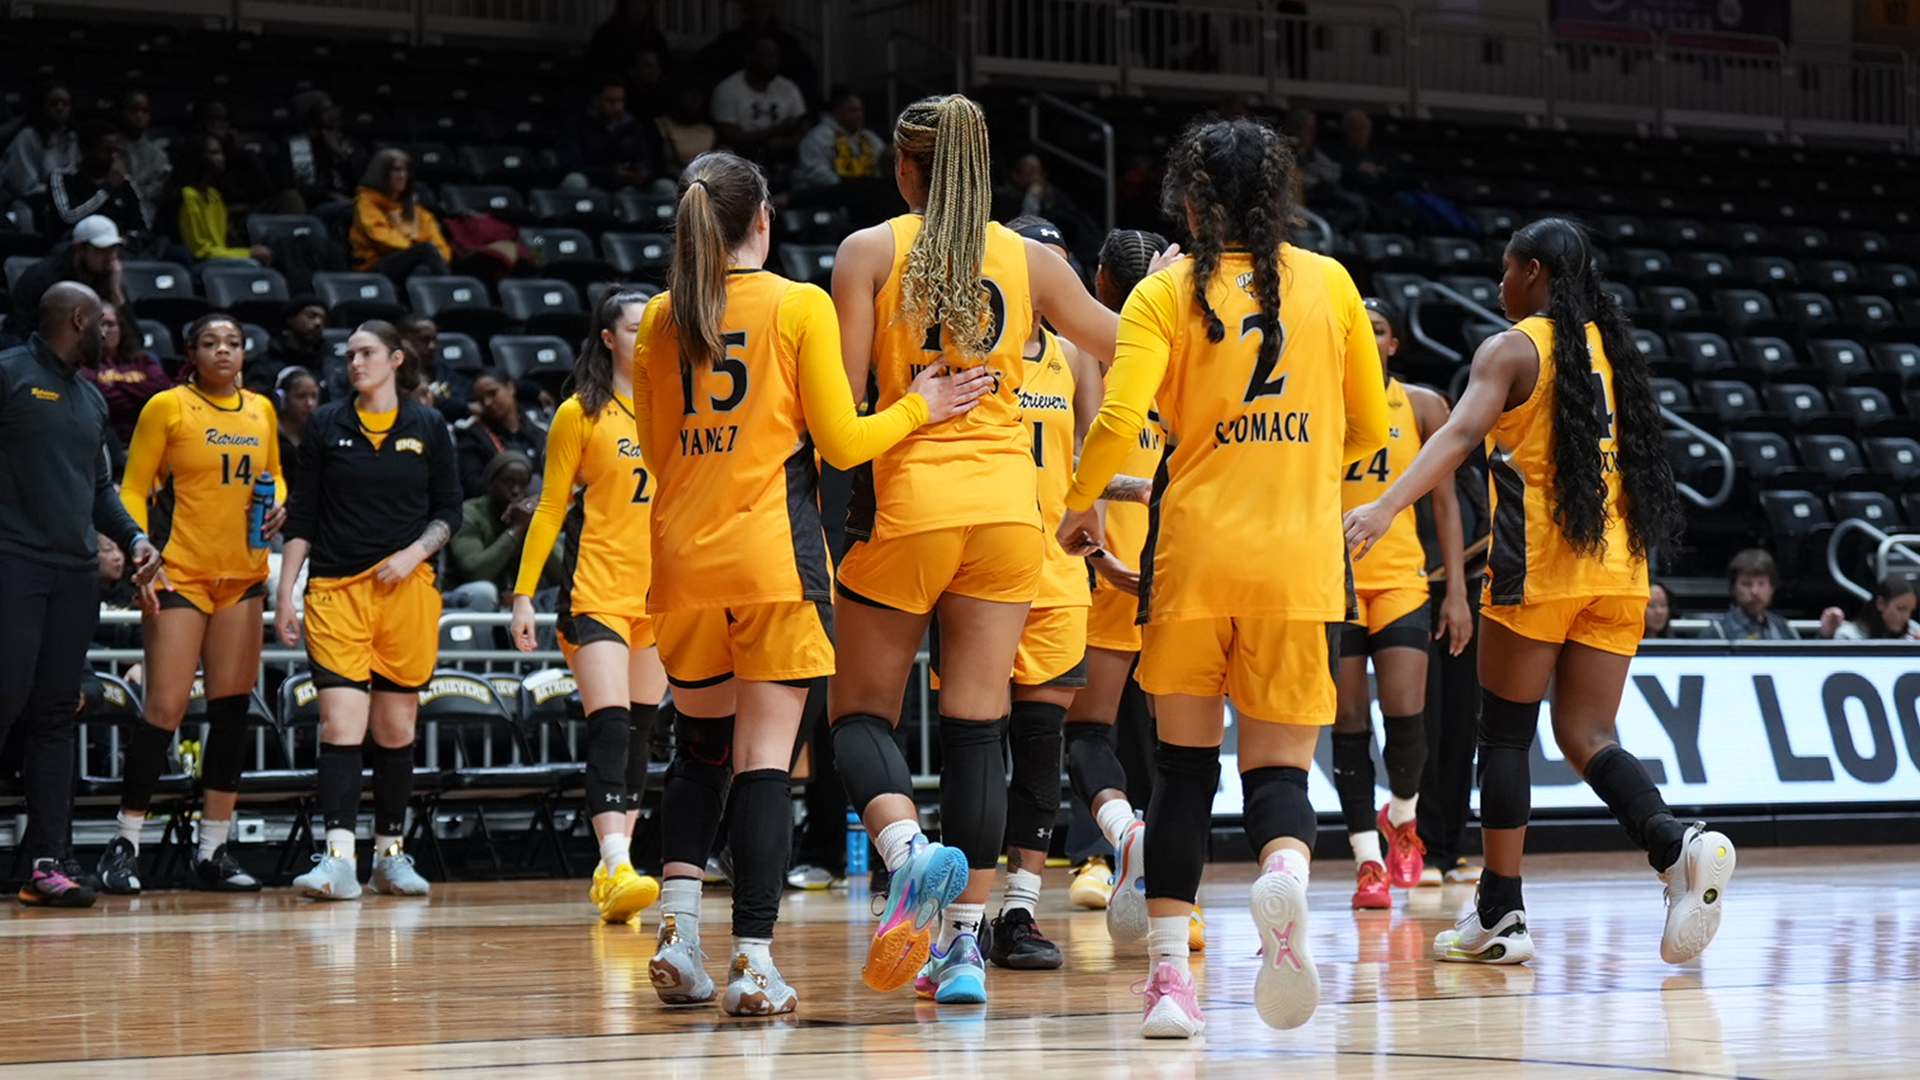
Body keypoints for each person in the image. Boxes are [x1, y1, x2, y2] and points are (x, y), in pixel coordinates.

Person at [632, 150, 990, 1016]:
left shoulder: (653, 319)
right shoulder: (798, 304)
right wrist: (921, 408)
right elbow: (839, 443)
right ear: (764, 219)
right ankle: (753, 961)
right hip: (771, 560)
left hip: (680, 560)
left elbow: (654, 447)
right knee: (762, 765)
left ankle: (678, 942)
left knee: (698, 754)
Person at [1058, 117, 1388, 1039]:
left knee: (1182, 772)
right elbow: (1368, 428)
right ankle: (1281, 883)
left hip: (1195, 556)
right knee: (1280, 769)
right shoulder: (1331, 283)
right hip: (1298, 561)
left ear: (1192, 204)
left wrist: (1084, 503)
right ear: (1276, 197)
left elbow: (1120, 414)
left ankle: (1171, 985)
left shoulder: (1164, 291)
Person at [1343, 217, 1734, 971]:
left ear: (1532, 271)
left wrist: (1389, 505)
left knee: (1507, 735)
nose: (1498, 286)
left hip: (1539, 569)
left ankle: (1501, 909)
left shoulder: (1512, 348)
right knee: (1588, 735)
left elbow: (1458, 436)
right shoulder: (1613, 349)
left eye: (1505, 271)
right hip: (1621, 572)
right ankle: (1674, 842)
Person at [828, 94, 1120, 1005]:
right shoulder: (1031, 260)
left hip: (908, 506)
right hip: (1007, 520)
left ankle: (908, 854)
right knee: (978, 731)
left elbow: (841, 420)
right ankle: (961, 954)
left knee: (858, 719)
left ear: (905, 168)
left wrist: (917, 399)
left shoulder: (869, 252)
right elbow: (1127, 349)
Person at [277, 320, 462, 900]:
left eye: (367, 353)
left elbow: (450, 511)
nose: (355, 362)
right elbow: (302, 515)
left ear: (396, 359)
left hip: (406, 592)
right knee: (340, 725)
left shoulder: (428, 425)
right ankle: (337, 858)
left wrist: (413, 554)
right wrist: (285, 592)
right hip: (335, 591)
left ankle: (390, 854)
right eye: (350, 354)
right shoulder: (327, 422)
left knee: (395, 727)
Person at [98, 313, 283, 895]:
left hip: (243, 577)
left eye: (233, 342)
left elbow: (273, 477)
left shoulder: (262, 410)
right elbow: (132, 485)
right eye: (210, 342)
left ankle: (214, 848)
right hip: (179, 574)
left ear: (245, 353)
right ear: (191, 352)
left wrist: (280, 505)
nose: (223, 350)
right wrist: (138, 548)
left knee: (230, 712)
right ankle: (125, 841)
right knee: (166, 708)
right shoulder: (168, 406)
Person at [971, 217, 1106, 975]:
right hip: (983, 573)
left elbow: (1095, 460)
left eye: (1064, 268)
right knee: (977, 750)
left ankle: (1018, 910)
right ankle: (963, 909)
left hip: (1057, 577)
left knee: (1040, 754)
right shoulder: (964, 350)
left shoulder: (1075, 356)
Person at [510, 288, 670, 926]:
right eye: (634, 329)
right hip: (596, 592)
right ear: (608, 338)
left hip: (659, 599)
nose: (646, 339)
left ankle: (615, 870)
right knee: (607, 723)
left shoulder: (677, 408)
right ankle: (615, 860)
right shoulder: (581, 413)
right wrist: (523, 593)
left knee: (640, 731)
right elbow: (550, 507)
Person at [0, 282, 163, 906]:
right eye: (102, 324)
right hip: (14, 563)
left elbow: (101, 487)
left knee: (54, 715)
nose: (109, 336)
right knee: (6, 697)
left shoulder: (91, 400)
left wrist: (136, 539)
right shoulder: (10, 375)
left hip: (74, 576)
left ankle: (46, 862)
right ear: (78, 319)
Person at [1059, 229, 1192, 944]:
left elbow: (1076, 462)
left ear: (1099, 286)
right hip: (1176, 568)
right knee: (1181, 747)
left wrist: (1099, 550)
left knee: (1085, 731)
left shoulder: (1082, 354)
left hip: (1103, 564)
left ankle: (1120, 832)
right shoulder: (1188, 353)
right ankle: (1183, 902)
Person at [1332, 299, 1471, 910]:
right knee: (1348, 726)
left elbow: (1445, 505)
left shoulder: (1423, 405)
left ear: (1393, 344)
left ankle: (1406, 821)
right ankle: (1368, 861)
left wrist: (1458, 593)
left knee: (1407, 721)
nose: (1368, 338)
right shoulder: (1318, 399)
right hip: (1332, 583)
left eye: (1379, 330)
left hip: (1402, 583)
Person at [447, 449, 552, 611]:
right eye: (508, 482)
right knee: (485, 592)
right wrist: (516, 529)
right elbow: (476, 572)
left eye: (523, 484)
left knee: (565, 593)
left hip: (516, 596)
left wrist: (537, 528)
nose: (516, 491)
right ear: (490, 483)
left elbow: (564, 574)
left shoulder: (527, 515)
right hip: (466, 593)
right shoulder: (469, 513)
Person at [49, 120, 168, 261]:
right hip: (77, 246)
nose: (114, 157)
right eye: (106, 151)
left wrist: (126, 239)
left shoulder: (125, 183)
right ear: (85, 150)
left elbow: (142, 227)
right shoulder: (63, 177)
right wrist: (107, 188)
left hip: (119, 247)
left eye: (116, 151)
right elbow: (69, 217)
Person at [4, 215, 128, 343]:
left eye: (113, 250)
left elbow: (134, 341)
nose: (109, 258)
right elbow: (21, 332)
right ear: (79, 248)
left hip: (97, 357)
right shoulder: (40, 277)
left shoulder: (110, 277)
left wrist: (116, 291)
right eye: (101, 250)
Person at [350, 149, 451, 285]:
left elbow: (440, 246)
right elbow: (379, 237)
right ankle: (450, 290)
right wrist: (415, 250)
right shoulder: (366, 203)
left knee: (423, 271)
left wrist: (425, 254)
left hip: (409, 264)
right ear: (381, 173)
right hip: (373, 266)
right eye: (396, 170)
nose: (403, 176)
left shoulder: (417, 211)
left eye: (406, 171)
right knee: (425, 250)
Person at [177, 133, 278, 264]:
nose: (221, 158)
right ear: (198, 157)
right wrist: (246, 254)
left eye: (221, 153)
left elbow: (221, 246)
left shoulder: (214, 196)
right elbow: (199, 251)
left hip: (220, 257)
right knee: (250, 264)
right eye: (213, 153)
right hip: (200, 263)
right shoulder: (188, 196)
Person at [709, 37, 810, 165]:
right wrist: (774, 132)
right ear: (749, 57)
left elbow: (804, 126)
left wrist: (784, 143)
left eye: (775, 56)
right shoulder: (727, 89)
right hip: (742, 157)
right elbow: (729, 135)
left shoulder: (788, 88)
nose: (772, 62)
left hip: (785, 155)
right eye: (766, 56)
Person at [795, 89, 891, 223]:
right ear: (837, 112)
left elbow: (886, 160)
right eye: (853, 110)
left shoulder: (869, 138)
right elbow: (816, 172)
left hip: (866, 195)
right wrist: (847, 189)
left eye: (861, 110)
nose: (859, 115)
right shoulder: (818, 137)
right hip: (830, 197)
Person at [87, 301, 173, 445]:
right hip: (107, 442)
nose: (104, 331)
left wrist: (115, 384)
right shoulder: (82, 364)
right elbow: (100, 401)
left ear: (121, 328)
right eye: (99, 325)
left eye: (110, 324)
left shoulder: (143, 359)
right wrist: (139, 391)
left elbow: (162, 390)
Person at [453, 369, 547, 497]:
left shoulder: (539, 429)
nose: (487, 403)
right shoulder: (471, 435)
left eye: (493, 393)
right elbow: (473, 484)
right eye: (481, 400)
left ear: (510, 388)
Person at [991, 152, 1097, 265]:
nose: (1037, 178)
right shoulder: (1006, 198)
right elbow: (1014, 228)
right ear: (1017, 176)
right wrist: (1031, 199)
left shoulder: (1053, 195)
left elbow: (1072, 222)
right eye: (1031, 173)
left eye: (1039, 173)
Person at [557, 76, 661, 191]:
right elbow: (570, 166)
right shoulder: (576, 125)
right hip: (591, 184)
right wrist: (609, 172)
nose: (617, 107)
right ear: (596, 100)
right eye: (610, 101)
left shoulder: (632, 126)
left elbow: (647, 162)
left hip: (627, 187)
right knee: (575, 181)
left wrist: (641, 172)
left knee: (664, 186)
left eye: (620, 101)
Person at [273, 91, 364, 217]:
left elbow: (361, 184)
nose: (335, 114)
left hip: (351, 201)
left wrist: (339, 155)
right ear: (310, 116)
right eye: (326, 110)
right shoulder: (299, 146)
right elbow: (302, 186)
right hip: (318, 206)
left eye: (334, 109)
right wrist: (331, 196)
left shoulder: (349, 144)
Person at [0, 81, 76, 207]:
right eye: (54, 103)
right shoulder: (27, 136)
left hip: (65, 201)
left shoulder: (72, 137)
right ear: (42, 105)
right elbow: (25, 186)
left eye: (65, 103)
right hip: (30, 203)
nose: (60, 108)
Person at [1711, 549, 1797, 640]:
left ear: (1772, 587)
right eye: (1747, 584)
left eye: (1761, 584)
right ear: (1733, 588)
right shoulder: (1717, 633)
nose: (1754, 592)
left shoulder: (1783, 629)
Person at [256, 295, 329, 396]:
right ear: (291, 319)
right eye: (311, 316)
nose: (318, 323)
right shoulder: (266, 364)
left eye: (323, 319)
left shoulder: (329, 363)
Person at [116, 92, 173, 210]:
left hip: (147, 214)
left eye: (144, 111)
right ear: (122, 112)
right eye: (133, 110)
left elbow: (157, 190)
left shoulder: (158, 155)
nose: (139, 116)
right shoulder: (111, 147)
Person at [1819, 574, 1920, 640]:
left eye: (1910, 611)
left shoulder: (1912, 639)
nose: (1906, 617)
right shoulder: (1848, 636)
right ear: (1880, 603)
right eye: (1901, 608)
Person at [657, 85, 720, 175]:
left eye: (696, 96)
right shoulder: (660, 126)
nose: (692, 102)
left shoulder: (711, 129)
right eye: (687, 97)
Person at [275, 365, 320, 488]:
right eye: (301, 396)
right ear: (282, 400)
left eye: (314, 396)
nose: (310, 403)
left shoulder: (318, 437)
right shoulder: (270, 437)